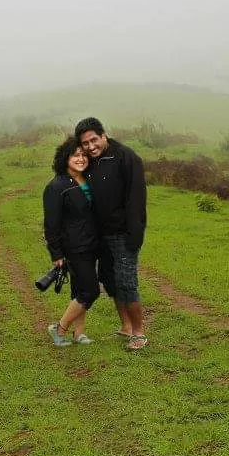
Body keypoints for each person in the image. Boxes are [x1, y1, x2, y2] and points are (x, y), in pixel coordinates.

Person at [75, 117, 149, 350]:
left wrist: (135, 232)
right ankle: (125, 326)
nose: (90, 146)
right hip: (99, 234)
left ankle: (139, 333)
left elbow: (136, 197)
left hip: (123, 233)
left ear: (103, 135)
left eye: (94, 140)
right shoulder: (89, 161)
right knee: (109, 280)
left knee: (127, 281)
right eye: (85, 143)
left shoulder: (126, 157)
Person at [42, 138, 100, 346]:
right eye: (75, 155)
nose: (81, 159)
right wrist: (56, 253)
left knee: (79, 289)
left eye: (84, 155)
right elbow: (51, 224)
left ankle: (79, 333)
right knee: (90, 291)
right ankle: (59, 328)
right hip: (74, 246)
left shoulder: (88, 180)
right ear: (65, 158)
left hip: (92, 243)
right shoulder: (56, 187)